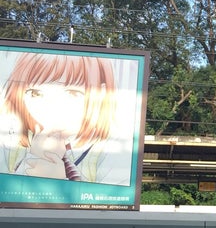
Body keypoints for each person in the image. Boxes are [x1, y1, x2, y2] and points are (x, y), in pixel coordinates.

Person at [0, 52, 131, 185]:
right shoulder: (10, 140)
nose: (51, 106)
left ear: (101, 95)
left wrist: (62, 182)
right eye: (35, 93)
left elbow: (112, 200)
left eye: (72, 93)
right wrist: (31, 160)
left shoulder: (116, 147)